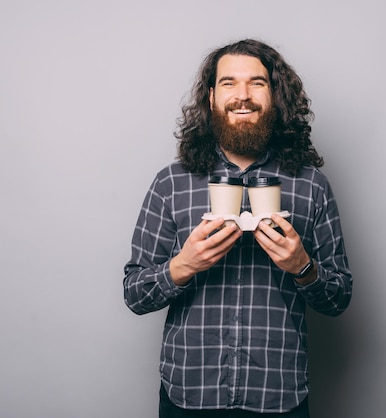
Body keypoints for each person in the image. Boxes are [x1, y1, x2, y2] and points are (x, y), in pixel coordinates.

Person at [123, 39, 353, 417]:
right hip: (190, 394)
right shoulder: (172, 183)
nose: (242, 96)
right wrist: (185, 265)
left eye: (257, 83)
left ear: (275, 96)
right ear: (212, 97)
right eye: (229, 83)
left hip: (278, 395)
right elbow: (134, 294)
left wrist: (302, 266)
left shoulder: (311, 185)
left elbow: (339, 298)